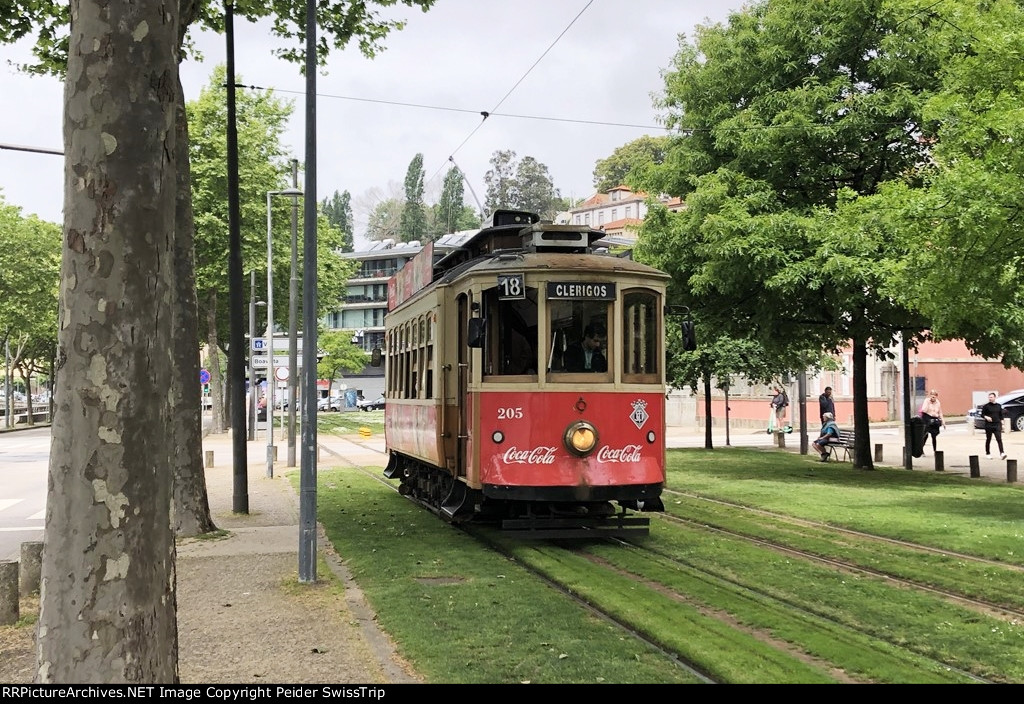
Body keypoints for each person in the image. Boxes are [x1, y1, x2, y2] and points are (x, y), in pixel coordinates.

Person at [981, 391, 1007, 460]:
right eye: (989, 397)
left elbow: (1001, 415)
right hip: (989, 425)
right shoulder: (986, 406)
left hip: (997, 424)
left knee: (999, 439)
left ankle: (1002, 453)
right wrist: (986, 417)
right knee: (988, 439)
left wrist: (1003, 424)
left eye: (991, 397)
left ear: (995, 397)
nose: (990, 398)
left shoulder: (998, 406)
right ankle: (988, 453)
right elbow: (982, 414)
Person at [918, 389, 945, 454]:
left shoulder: (938, 402)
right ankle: (921, 449)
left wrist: (943, 422)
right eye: (932, 395)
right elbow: (924, 410)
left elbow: (940, 412)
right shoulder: (926, 401)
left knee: (934, 436)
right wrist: (929, 402)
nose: (933, 397)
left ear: (936, 396)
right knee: (925, 435)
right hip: (926, 417)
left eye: (934, 396)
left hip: (934, 418)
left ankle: (935, 451)